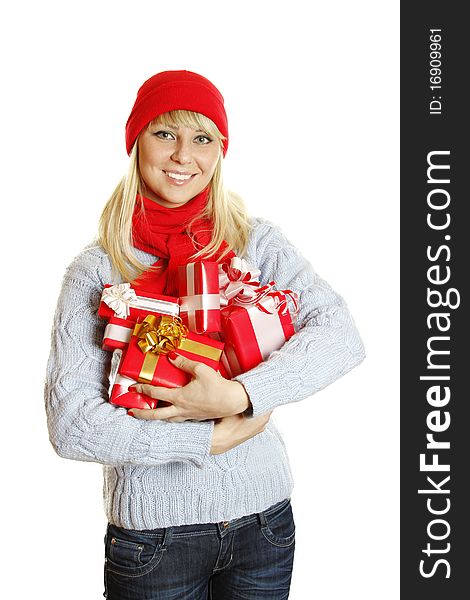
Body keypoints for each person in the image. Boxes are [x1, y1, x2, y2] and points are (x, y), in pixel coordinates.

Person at [44, 69, 365, 600]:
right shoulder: (98, 268)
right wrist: (204, 436)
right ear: (135, 142)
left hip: (264, 521)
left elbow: (340, 335)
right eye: (164, 133)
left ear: (220, 151)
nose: (182, 156)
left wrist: (238, 394)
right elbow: (71, 425)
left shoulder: (255, 242)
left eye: (202, 138)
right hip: (154, 538)